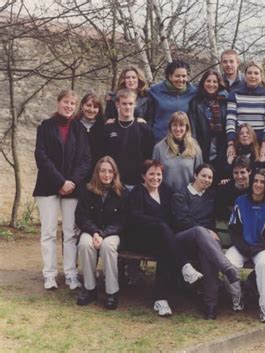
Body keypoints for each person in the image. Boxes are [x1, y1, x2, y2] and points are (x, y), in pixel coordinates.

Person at [126, 160, 203, 316]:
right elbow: (135, 217)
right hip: (139, 238)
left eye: (158, 174)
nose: (155, 178)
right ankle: (185, 267)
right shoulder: (137, 192)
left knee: (165, 249)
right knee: (163, 231)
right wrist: (159, 223)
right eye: (151, 174)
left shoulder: (166, 191)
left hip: (162, 239)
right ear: (143, 176)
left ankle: (160, 300)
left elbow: (174, 215)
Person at [33, 89, 90, 290]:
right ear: (58, 103)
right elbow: (41, 157)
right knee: (48, 232)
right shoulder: (45, 127)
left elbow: (85, 160)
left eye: (72, 104)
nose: (69, 106)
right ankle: (49, 275)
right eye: (66, 102)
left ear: (76, 108)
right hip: (48, 186)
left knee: (70, 233)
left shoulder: (80, 130)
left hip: (73, 188)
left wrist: (72, 181)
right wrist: (60, 182)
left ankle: (71, 274)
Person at [171, 164, 240, 320]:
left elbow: (231, 193)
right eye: (203, 175)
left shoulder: (211, 196)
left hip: (206, 242)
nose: (207, 180)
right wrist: (205, 231)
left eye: (210, 177)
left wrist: (227, 182)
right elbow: (182, 221)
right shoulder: (180, 195)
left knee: (208, 254)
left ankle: (211, 305)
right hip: (184, 239)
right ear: (195, 175)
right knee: (200, 231)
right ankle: (227, 268)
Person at [224, 168, 265, 323]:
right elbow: (233, 229)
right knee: (228, 264)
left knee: (264, 265)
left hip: (263, 248)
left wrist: (256, 248)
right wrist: (243, 247)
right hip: (242, 246)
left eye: (262, 181)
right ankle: (238, 296)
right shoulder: (240, 201)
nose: (258, 184)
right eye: (255, 180)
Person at [75, 156, 128, 310]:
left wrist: (103, 234)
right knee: (85, 244)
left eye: (110, 171)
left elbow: (122, 221)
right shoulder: (87, 190)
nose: (106, 175)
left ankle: (112, 291)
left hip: (112, 233)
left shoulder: (122, 192)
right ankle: (90, 289)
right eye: (103, 171)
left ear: (115, 173)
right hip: (91, 231)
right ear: (97, 173)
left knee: (108, 247)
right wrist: (95, 232)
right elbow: (81, 216)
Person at [225, 61, 265, 163]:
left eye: (256, 73)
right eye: (249, 73)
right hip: (240, 142)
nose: (253, 76)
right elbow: (230, 119)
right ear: (245, 75)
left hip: (260, 141)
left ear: (261, 76)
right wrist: (231, 144)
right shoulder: (235, 93)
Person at [104, 88, 155, 189]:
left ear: (135, 104)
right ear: (117, 104)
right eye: (124, 104)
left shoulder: (144, 128)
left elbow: (149, 158)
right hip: (114, 183)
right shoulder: (108, 128)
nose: (128, 107)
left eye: (131, 104)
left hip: (137, 184)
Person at [152, 111, 203, 193]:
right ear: (170, 127)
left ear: (187, 127)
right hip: (165, 196)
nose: (178, 129)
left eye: (181, 125)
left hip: (187, 197)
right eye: (174, 125)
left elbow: (199, 176)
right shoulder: (159, 148)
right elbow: (153, 175)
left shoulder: (195, 148)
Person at [149, 60, 197, 142]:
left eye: (184, 76)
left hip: (183, 141)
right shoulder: (155, 91)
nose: (181, 79)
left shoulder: (193, 92)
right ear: (170, 76)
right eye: (177, 76)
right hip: (160, 140)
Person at [188, 69, 227, 168]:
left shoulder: (224, 101)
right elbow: (192, 127)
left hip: (221, 145)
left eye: (215, 82)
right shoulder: (195, 102)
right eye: (208, 81)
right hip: (202, 144)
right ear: (203, 83)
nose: (211, 84)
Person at [76, 93, 105, 179]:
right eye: (88, 105)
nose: (91, 110)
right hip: (76, 175)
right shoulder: (73, 125)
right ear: (82, 105)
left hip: (97, 176)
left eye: (95, 107)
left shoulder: (104, 127)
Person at [216, 155, 252, 221]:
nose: (239, 176)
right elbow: (220, 212)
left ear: (249, 172)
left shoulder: (255, 189)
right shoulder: (224, 190)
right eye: (236, 173)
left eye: (242, 172)